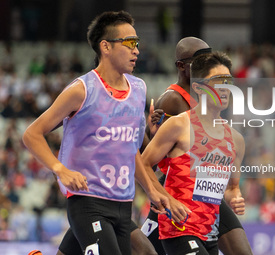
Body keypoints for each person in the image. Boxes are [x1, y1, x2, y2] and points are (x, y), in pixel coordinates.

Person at [22, 11, 169, 255]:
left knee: (146, 252)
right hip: (87, 200)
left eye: (138, 44)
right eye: (130, 43)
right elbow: (32, 134)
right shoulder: (82, 90)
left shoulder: (139, 89)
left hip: (123, 204)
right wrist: (60, 169)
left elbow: (131, 149)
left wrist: (151, 190)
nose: (137, 50)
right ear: (106, 47)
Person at [140, 37, 253, 255]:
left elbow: (230, 187)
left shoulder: (235, 138)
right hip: (177, 201)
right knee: (144, 248)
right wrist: (165, 198)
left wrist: (235, 195)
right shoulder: (173, 104)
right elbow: (146, 163)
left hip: (207, 209)